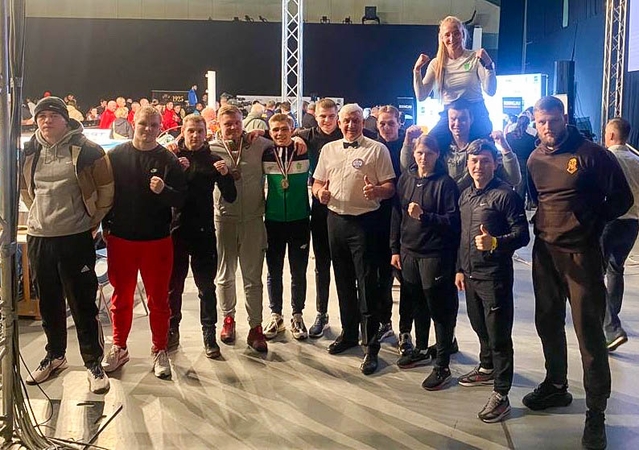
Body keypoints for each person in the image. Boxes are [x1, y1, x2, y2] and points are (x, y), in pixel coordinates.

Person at [525, 96, 633, 450]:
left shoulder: (592, 154)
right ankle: (556, 386)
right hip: (545, 254)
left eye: (553, 120)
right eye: (541, 122)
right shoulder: (534, 158)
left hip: (582, 255)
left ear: (564, 118)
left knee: (589, 336)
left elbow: (622, 199)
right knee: (547, 322)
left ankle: (596, 412)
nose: (547, 127)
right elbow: (537, 199)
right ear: (535, 122)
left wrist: (592, 224)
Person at [21, 96, 114, 394]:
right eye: (41, 116)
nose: (46, 120)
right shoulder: (30, 150)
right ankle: (55, 355)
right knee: (48, 302)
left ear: (65, 119)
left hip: (75, 237)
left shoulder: (89, 150)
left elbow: (106, 190)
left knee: (82, 302)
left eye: (53, 115)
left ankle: (93, 362)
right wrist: (39, 216)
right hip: (40, 237)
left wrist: (90, 221)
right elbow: (26, 190)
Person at [101, 106, 187, 379]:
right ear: (133, 124)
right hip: (121, 238)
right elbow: (104, 193)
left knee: (159, 299)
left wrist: (164, 191)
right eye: (143, 124)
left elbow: (181, 199)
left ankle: (159, 349)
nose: (148, 130)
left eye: (153, 125)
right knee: (121, 297)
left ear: (160, 128)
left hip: (157, 240)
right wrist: (105, 225)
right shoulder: (115, 156)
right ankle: (119, 346)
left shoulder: (168, 160)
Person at [312, 103, 396, 375]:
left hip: (365, 223)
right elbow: (317, 182)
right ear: (339, 123)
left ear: (363, 122)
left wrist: (378, 191)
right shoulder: (329, 149)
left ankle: (371, 345)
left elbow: (390, 186)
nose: (350, 125)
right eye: (346, 121)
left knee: (367, 283)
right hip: (335, 221)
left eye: (356, 120)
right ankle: (349, 334)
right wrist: (319, 193)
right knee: (343, 281)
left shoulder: (377, 149)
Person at [456, 139, 529, 421]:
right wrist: (459, 269)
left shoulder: (506, 195)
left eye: (485, 161)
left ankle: (502, 394)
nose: (479, 166)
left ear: (495, 164)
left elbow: (522, 235)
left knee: (499, 336)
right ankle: (486, 368)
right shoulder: (466, 195)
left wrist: (495, 242)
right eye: (474, 161)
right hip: (470, 274)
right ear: (468, 164)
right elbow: (462, 236)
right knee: (479, 325)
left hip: (494, 276)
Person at [294, 98, 376, 338]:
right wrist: (294, 137)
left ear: (338, 118)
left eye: (332, 117)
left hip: (354, 214)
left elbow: (383, 136)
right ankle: (322, 313)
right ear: (315, 117)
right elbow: (279, 135)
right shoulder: (307, 135)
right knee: (322, 265)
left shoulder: (353, 132)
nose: (328, 121)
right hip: (322, 209)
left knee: (355, 270)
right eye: (323, 117)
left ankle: (361, 322)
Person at [390, 135, 460, 386]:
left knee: (438, 309)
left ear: (437, 155)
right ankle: (421, 348)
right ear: (413, 153)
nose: (423, 158)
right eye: (420, 152)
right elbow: (397, 215)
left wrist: (425, 216)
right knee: (417, 303)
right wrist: (395, 248)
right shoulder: (406, 179)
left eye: (429, 153)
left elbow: (453, 222)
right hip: (409, 252)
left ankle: (442, 365)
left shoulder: (445, 184)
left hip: (435, 254)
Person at [167, 114, 236, 358]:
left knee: (206, 288)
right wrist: (177, 171)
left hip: (204, 232)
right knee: (173, 287)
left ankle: (209, 334)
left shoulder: (213, 160)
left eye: (199, 131)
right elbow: (163, 192)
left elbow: (231, 196)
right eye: (191, 131)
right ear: (183, 132)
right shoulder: (172, 157)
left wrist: (225, 175)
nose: (195, 135)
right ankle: (172, 329)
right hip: (176, 231)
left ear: (206, 133)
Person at [210, 105, 272, 353]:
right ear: (218, 125)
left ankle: (255, 327)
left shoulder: (258, 144)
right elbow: (185, 148)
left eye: (237, 122)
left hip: (253, 219)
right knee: (225, 275)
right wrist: (176, 144)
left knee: (252, 277)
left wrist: (296, 139)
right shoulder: (210, 148)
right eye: (228, 124)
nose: (233, 127)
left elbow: (284, 138)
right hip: (224, 219)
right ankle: (228, 319)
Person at [413, 16, 497, 151]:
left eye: (456, 33)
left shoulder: (474, 58)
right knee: (429, 146)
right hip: (451, 113)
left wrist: (488, 65)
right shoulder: (436, 63)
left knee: (484, 151)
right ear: (442, 38)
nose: (452, 39)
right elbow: (421, 96)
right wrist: (417, 71)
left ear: (462, 34)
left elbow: (490, 91)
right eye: (447, 35)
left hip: (476, 111)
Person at [262, 114, 311, 340]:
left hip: (300, 219)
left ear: (293, 129)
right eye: (275, 130)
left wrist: (301, 139)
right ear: (270, 131)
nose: (280, 133)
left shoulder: (304, 151)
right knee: (274, 271)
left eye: (284, 129)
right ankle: (276, 315)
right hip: (273, 221)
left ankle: (297, 315)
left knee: (298, 271)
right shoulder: (265, 153)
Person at [601, 117, 639, 351]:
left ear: (612, 135)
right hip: (632, 223)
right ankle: (611, 320)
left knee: (595, 273)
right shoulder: (636, 160)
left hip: (610, 221)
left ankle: (611, 327)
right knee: (616, 269)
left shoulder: (606, 158)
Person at [506, 115, 536, 209]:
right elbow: (532, 154)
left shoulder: (509, 136)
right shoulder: (531, 139)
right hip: (524, 164)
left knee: (507, 188)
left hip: (510, 163)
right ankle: (519, 210)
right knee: (521, 190)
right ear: (527, 125)